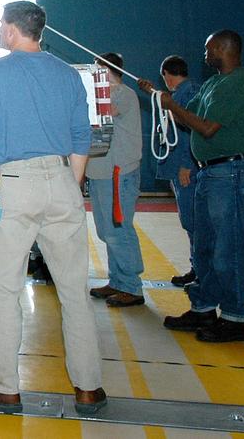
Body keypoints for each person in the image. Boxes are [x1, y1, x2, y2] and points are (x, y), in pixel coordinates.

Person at [0, 1, 106, 416]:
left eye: (1, 24)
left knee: (4, 290)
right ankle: (89, 388)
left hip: (15, 186)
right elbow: (81, 136)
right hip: (62, 180)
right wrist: (66, 187)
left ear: (11, 32)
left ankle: (3, 387)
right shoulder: (68, 74)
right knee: (74, 291)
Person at [140, 29, 244, 343]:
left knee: (228, 249)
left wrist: (173, 105)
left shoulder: (234, 84)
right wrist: (163, 100)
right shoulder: (213, 83)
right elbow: (187, 117)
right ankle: (203, 307)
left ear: (223, 48)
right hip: (209, 173)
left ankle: (235, 318)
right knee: (204, 246)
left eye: (208, 49)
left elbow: (206, 128)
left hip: (230, 171)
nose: (204, 55)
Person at [85, 52, 145, 307]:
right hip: (100, 172)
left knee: (119, 230)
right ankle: (117, 280)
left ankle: (132, 286)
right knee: (106, 231)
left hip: (119, 172)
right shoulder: (106, 92)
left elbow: (104, 109)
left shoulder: (122, 93)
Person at [157, 56, 200, 285]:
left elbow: (188, 131)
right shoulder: (182, 93)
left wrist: (186, 164)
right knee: (190, 221)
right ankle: (198, 267)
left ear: (166, 74)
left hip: (185, 167)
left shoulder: (186, 94)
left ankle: (201, 270)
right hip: (179, 165)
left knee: (193, 221)